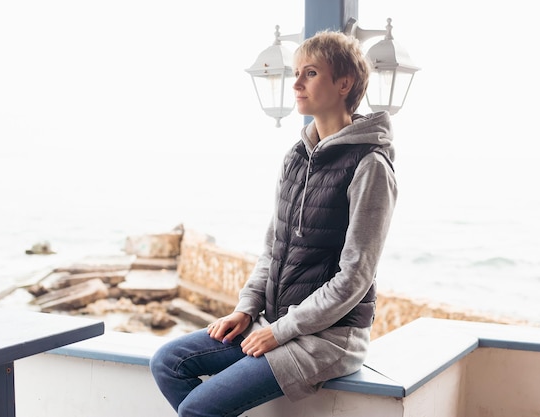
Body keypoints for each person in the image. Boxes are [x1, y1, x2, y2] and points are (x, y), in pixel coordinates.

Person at [150, 30, 398, 417]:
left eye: (310, 73)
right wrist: (247, 309)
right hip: (273, 322)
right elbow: (273, 247)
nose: (296, 84)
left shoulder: (371, 165)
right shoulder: (297, 156)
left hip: (328, 339)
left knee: (198, 410)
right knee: (168, 362)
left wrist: (279, 332)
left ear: (344, 83)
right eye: (296, 73)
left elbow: (355, 277)